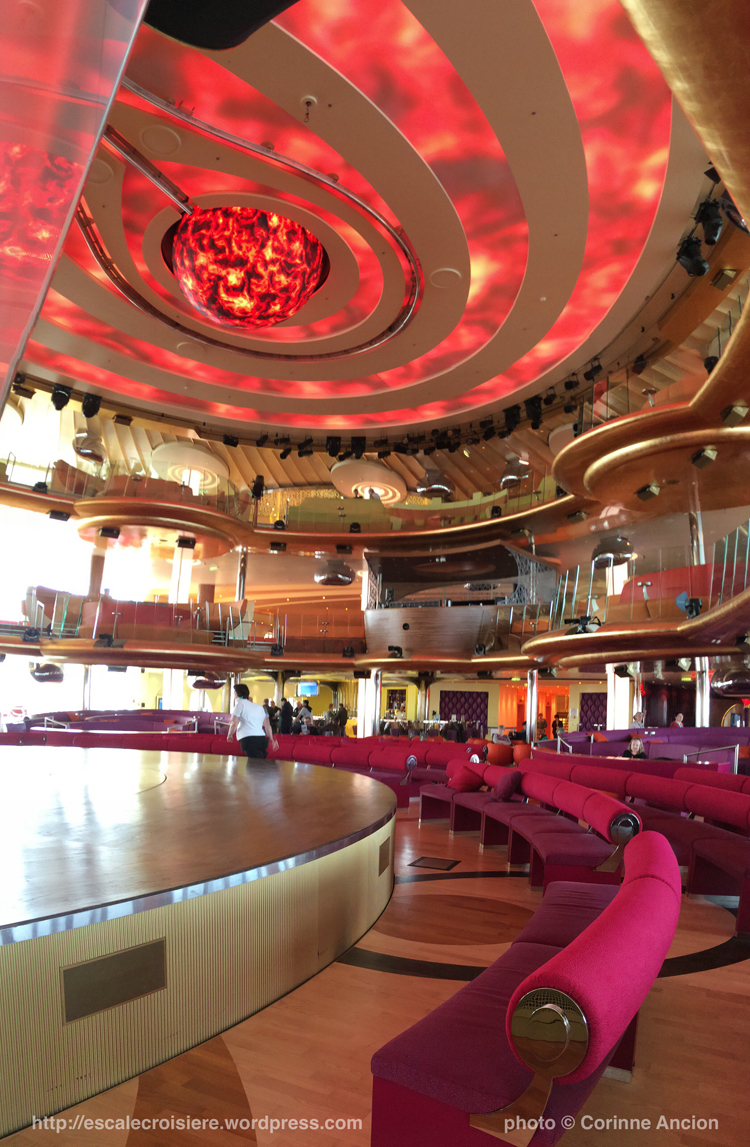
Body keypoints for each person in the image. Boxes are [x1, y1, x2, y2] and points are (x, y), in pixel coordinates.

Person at [227, 684, 278, 761]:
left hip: (248, 738)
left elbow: (234, 723)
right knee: (259, 762)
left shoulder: (239, 705)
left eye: (234, 692)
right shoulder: (260, 707)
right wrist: (272, 739)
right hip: (261, 738)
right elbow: (267, 725)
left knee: (253, 764)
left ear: (236, 693)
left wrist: (230, 734)